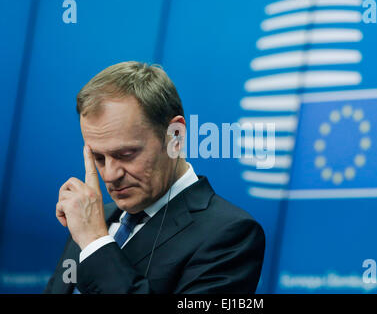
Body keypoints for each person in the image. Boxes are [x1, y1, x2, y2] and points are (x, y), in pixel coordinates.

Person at [44, 61, 265, 294]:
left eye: (126, 155)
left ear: (175, 136)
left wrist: (96, 242)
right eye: (98, 158)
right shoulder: (95, 218)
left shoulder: (230, 234)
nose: (110, 175)